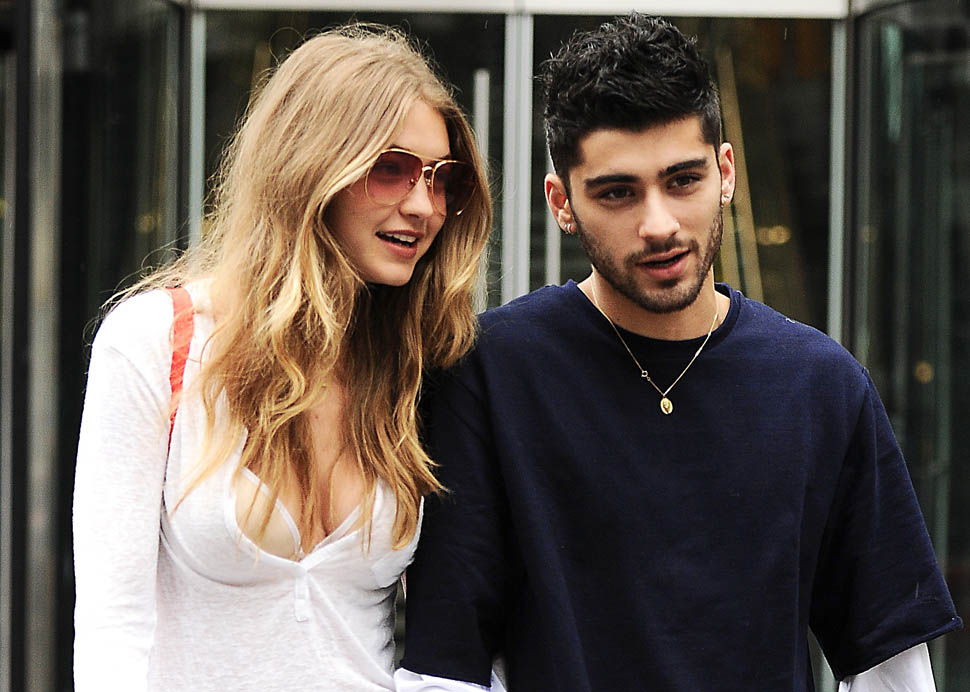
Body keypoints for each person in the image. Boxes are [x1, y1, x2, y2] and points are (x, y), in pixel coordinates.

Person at [395, 14, 960, 692]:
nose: (658, 224)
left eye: (683, 180)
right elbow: (446, 664)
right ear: (562, 203)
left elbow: (888, 664)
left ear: (726, 172)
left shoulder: (820, 385)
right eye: (617, 192)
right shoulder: (490, 373)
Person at [73, 24, 491, 691]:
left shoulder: (418, 365)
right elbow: (111, 627)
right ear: (310, 166)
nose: (424, 206)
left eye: (445, 179)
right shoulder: (156, 339)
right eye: (391, 168)